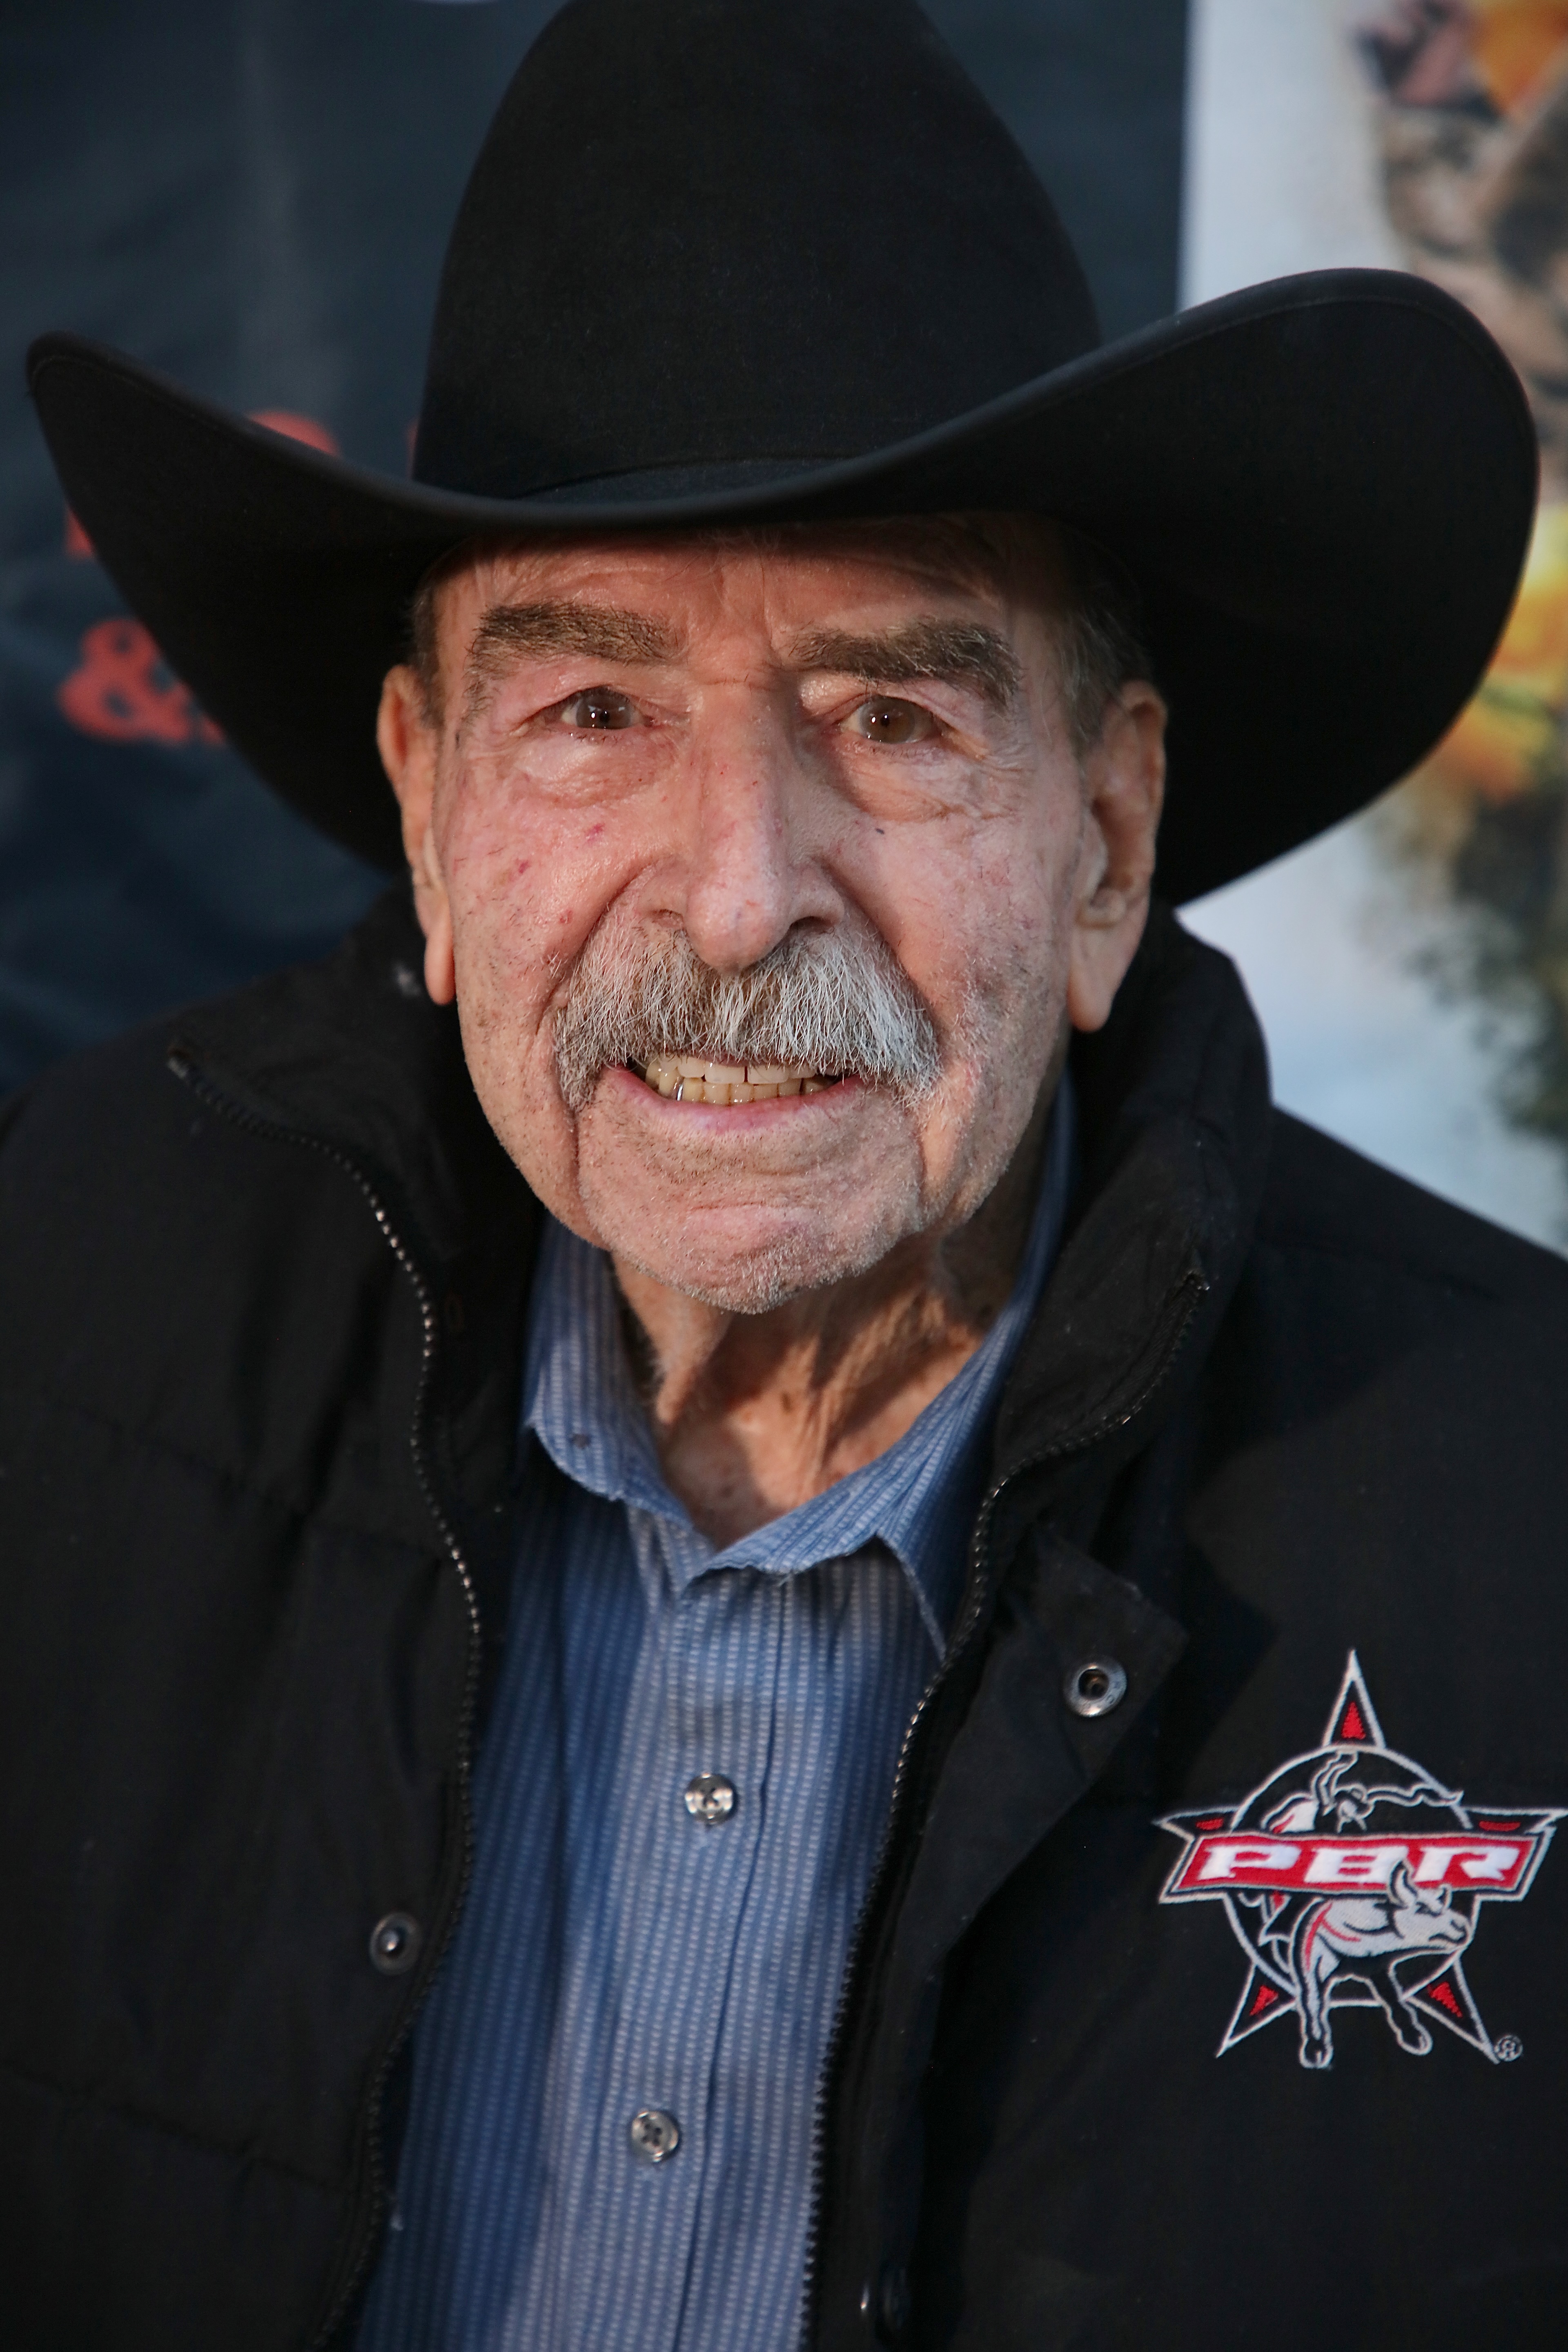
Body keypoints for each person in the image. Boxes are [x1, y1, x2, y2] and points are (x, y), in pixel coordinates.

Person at [7, 3, 1568, 2347]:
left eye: (894, 718)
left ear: (1108, 843)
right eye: (595, 710)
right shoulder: (67, 1298)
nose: (739, 896)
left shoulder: (1517, 1506)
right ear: (430, 811)